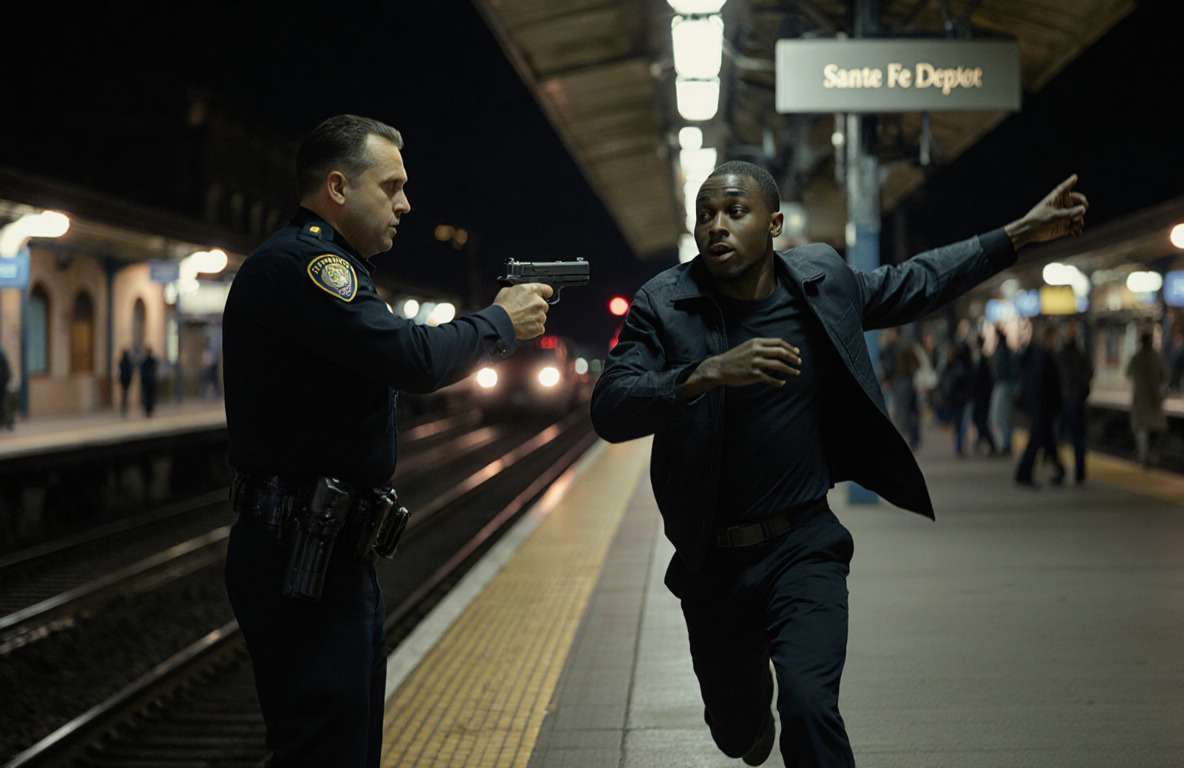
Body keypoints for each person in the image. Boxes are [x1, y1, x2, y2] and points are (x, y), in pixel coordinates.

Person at [590, 161, 1087, 767]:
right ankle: (746, 726)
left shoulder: (821, 281)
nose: (716, 226)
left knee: (809, 702)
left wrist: (1017, 235)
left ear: (773, 224)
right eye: (705, 216)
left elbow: (916, 281)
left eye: (735, 212)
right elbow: (611, 409)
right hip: (713, 563)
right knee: (736, 731)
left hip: (803, 547)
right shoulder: (665, 305)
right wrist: (704, 375)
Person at [221, 114, 551, 767]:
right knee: (323, 746)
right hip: (301, 555)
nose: (406, 203)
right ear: (338, 187)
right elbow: (414, 357)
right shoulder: (307, 266)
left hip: (328, 547)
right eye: (391, 186)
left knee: (347, 742)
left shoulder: (332, 267)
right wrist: (499, 323)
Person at [1014, 323, 1066, 487]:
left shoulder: (1039, 356)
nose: (1056, 341)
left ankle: (1058, 471)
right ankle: (1024, 474)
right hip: (1042, 409)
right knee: (1037, 441)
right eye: (1054, 338)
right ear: (1049, 338)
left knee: (1046, 441)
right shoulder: (1043, 357)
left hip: (1042, 408)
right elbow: (1043, 386)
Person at [1055, 319, 1093, 484]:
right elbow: (1089, 373)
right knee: (1078, 438)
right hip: (1077, 400)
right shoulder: (1081, 354)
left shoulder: (1061, 355)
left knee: (1059, 438)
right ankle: (1079, 472)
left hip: (1065, 401)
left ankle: (1061, 471)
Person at [1127, 328, 1168, 466]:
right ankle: (1152, 454)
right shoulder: (1157, 357)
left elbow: (1128, 373)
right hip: (1154, 398)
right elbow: (1165, 376)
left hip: (1140, 398)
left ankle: (1143, 456)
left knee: (1141, 429)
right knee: (1155, 429)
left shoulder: (1136, 357)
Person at [988, 325, 1019, 456]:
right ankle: (1006, 443)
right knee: (1002, 417)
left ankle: (1006, 444)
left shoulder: (1002, 351)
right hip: (1006, 385)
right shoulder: (1007, 351)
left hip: (1004, 385)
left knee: (1000, 417)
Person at [969, 331, 998, 455]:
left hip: (982, 396)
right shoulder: (977, 358)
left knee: (980, 420)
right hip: (978, 396)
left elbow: (985, 380)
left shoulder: (983, 359)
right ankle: (982, 442)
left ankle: (991, 445)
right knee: (978, 420)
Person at [140, 347, 158, 417]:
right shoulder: (151, 361)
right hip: (150, 381)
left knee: (148, 396)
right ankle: (149, 410)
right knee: (150, 396)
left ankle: (148, 410)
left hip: (148, 381)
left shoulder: (146, 361)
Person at [118, 349, 135, 416]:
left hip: (124, 380)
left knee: (124, 394)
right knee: (125, 394)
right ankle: (124, 407)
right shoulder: (128, 362)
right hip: (126, 380)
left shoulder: (123, 362)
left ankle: (124, 407)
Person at [0, 346, 13, 429]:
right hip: (4, 381)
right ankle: (7, 422)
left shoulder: (1, 354)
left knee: (4, 403)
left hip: (3, 382)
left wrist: (3, 383)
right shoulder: (2, 353)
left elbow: (5, 370)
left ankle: (8, 422)